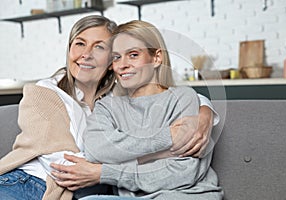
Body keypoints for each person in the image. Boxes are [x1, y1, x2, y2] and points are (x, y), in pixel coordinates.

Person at [0, 15, 218, 200]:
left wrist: (205, 112)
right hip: (25, 183)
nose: (86, 54)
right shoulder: (44, 93)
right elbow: (70, 166)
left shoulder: (114, 97)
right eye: (79, 43)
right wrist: (163, 147)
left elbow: (176, 96)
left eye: (100, 47)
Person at [76, 20, 223, 200]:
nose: (122, 65)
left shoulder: (183, 97)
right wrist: (166, 139)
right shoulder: (107, 106)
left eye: (133, 55)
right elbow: (95, 150)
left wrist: (107, 171)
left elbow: (184, 172)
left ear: (156, 58)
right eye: (116, 57)